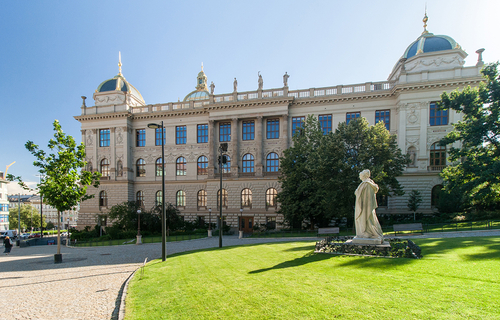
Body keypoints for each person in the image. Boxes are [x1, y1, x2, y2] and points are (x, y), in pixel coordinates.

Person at [354, 169, 383, 240]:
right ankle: (368, 232)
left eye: (360, 175)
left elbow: (360, 194)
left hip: (364, 207)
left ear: (363, 176)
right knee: (370, 219)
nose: (359, 176)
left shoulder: (366, 184)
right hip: (367, 206)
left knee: (366, 219)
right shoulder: (369, 183)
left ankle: (367, 233)